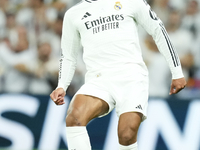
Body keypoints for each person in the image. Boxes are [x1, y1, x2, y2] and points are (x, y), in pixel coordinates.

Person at [50, 0, 186, 149]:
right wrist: (61, 85)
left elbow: (158, 31)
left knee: (126, 135)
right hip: (98, 79)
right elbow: (68, 56)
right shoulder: (73, 14)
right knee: (74, 117)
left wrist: (177, 72)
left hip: (131, 76)